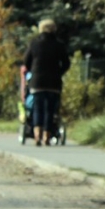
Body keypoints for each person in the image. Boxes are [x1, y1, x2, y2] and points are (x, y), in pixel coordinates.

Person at [22, 18, 70, 146]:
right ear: (54, 29)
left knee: (37, 108)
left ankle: (37, 135)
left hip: (37, 82)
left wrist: (33, 71)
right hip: (54, 82)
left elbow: (26, 61)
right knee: (50, 109)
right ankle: (46, 136)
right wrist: (59, 72)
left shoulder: (34, 43)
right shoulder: (59, 44)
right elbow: (66, 63)